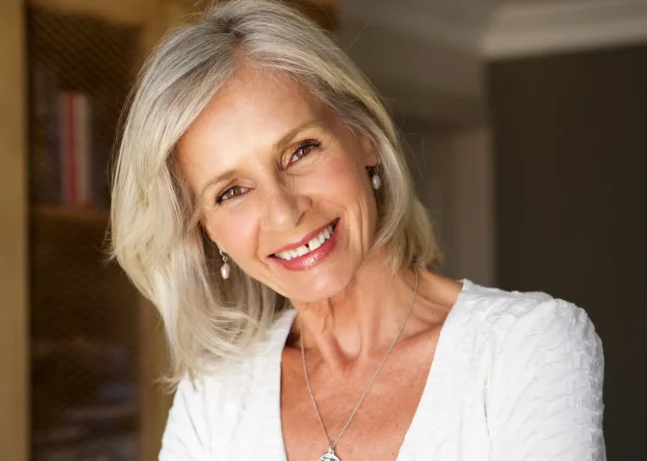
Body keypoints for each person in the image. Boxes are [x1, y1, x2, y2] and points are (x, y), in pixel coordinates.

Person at [109, 1, 605, 459]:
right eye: (231, 191)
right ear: (206, 231)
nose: (284, 212)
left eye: (300, 150)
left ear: (364, 139)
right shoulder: (215, 394)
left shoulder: (526, 346)